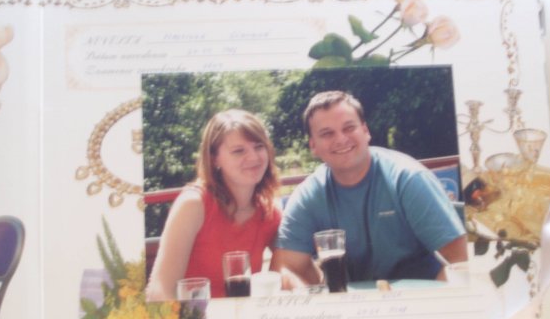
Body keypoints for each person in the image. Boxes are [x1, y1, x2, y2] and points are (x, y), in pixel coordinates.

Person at [271, 91, 467, 288]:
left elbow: (462, 260)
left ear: (365, 131)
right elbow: (286, 268)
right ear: (313, 145)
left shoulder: (408, 179)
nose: (341, 139)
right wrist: (316, 297)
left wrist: (431, 302)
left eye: (349, 128)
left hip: (419, 297)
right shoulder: (308, 196)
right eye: (327, 133)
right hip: (350, 305)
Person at [146, 109, 281, 300]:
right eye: (238, 151)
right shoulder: (194, 205)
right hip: (194, 317)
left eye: (259, 147)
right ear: (214, 158)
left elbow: (291, 264)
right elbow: (159, 291)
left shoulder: (269, 212)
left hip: (243, 316)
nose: (254, 157)